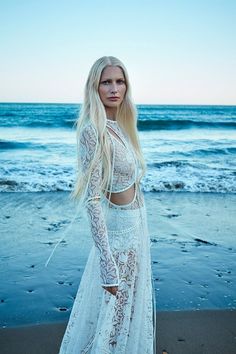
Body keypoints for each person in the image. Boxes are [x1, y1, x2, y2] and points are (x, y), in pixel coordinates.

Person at [58, 56, 156, 353]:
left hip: (136, 227)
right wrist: (106, 262)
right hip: (118, 234)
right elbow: (92, 200)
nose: (114, 88)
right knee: (112, 315)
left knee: (127, 310)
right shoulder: (93, 131)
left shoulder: (121, 127)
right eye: (106, 82)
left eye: (120, 81)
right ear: (95, 87)